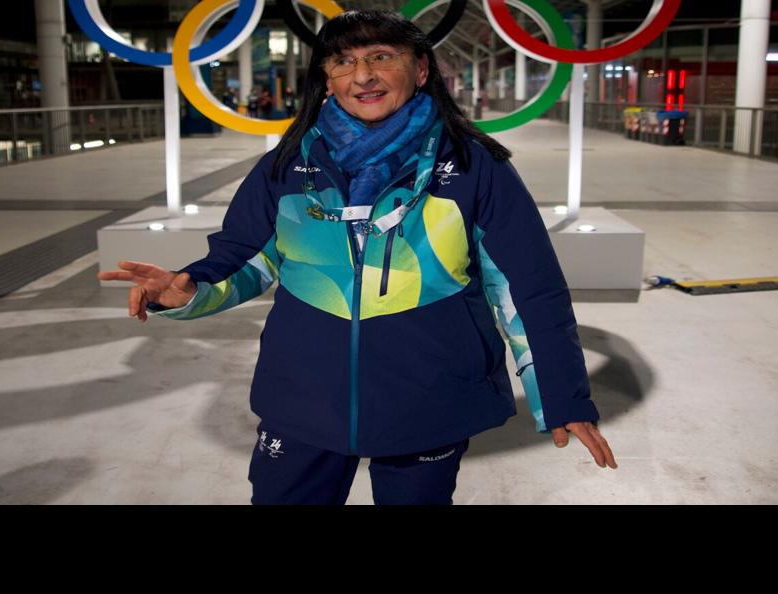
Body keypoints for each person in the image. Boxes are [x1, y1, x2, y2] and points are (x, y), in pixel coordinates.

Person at [100, 10, 615, 504]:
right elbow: (245, 256)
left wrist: (561, 395)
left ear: (420, 68)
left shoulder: (475, 167)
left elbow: (527, 289)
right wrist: (188, 289)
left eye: (381, 56)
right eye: (343, 62)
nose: (362, 76)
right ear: (326, 79)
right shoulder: (285, 166)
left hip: (428, 396)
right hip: (302, 394)